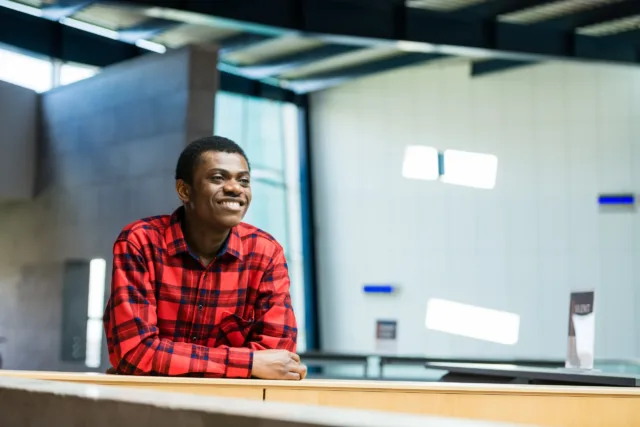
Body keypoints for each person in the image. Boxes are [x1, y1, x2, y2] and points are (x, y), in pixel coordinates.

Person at [103, 136, 307, 380]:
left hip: (232, 410)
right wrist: (250, 362)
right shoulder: (140, 242)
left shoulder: (265, 252)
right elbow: (135, 353)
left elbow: (278, 359)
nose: (235, 188)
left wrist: (165, 361)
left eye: (244, 180)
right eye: (218, 178)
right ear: (184, 190)